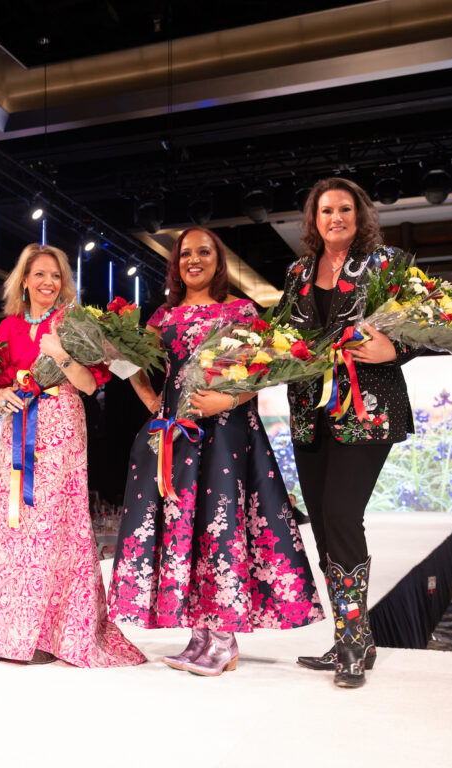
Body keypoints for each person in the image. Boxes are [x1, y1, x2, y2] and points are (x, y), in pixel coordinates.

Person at [108, 226, 324, 678]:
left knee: (220, 524)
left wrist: (228, 400)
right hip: (177, 437)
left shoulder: (240, 311)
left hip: (227, 435)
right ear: (176, 263)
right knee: (185, 528)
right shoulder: (162, 318)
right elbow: (128, 360)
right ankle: (199, 634)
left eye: (203, 252)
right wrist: (151, 399)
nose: (193, 260)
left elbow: (264, 372)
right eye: (185, 253)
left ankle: (223, 637)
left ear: (218, 260)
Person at [281, 177, 422, 688]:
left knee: (342, 514)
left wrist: (397, 350)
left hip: (367, 409)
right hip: (308, 411)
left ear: (359, 216)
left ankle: (355, 639)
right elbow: (282, 335)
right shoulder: (298, 272)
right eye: (325, 210)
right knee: (322, 521)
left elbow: (433, 323)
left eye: (344, 209)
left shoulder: (387, 265)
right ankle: (349, 636)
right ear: (313, 220)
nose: (335, 217)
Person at [0, 244, 144, 667]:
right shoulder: (9, 326)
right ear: (24, 280)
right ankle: (7, 634)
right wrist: (1, 391)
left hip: (61, 425)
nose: (48, 282)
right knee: (15, 523)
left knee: (54, 525)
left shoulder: (73, 323)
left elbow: (89, 385)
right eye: (40, 275)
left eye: (56, 276)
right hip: (16, 429)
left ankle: (52, 634)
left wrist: (60, 354)